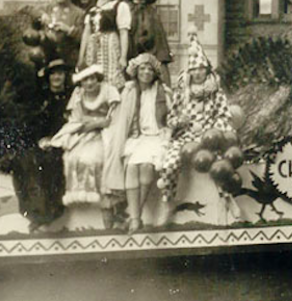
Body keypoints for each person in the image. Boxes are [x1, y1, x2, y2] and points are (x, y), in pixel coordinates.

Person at [157, 31, 237, 223]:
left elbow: (224, 116)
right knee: (169, 163)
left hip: (209, 137)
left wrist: (211, 128)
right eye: (194, 70)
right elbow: (171, 118)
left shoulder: (215, 94)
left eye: (201, 69)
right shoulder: (182, 94)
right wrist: (180, 122)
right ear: (189, 73)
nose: (198, 73)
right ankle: (168, 203)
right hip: (185, 137)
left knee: (220, 163)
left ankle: (228, 200)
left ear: (207, 70)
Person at [103, 53, 172, 234]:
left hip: (157, 136)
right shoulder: (130, 91)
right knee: (132, 167)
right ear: (136, 71)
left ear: (155, 73)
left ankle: (135, 218)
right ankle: (135, 219)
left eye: (150, 69)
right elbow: (121, 116)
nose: (146, 72)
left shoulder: (162, 91)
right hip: (137, 136)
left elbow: (171, 115)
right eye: (142, 68)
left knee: (147, 167)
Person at [50, 65, 120, 228]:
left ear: (97, 78)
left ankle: (108, 205)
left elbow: (113, 119)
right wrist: (95, 123)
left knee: (98, 158)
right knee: (72, 156)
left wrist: (96, 123)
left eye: (92, 78)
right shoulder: (78, 94)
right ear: (80, 82)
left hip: (108, 133)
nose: (89, 83)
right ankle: (81, 206)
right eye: (85, 80)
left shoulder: (108, 91)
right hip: (84, 133)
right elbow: (77, 121)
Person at [10, 59, 70, 232]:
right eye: (53, 74)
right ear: (49, 77)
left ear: (65, 76)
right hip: (43, 140)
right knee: (23, 161)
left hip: (64, 140)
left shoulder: (71, 96)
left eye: (60, 73)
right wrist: (41, 139)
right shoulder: (42, 98)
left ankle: (51, 213)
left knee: (50, 163)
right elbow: (34, 122)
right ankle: (34, 213)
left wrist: (56, 139)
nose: (57, 77)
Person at [78, 0, 131, 90]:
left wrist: (123, 57)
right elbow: (86, 33)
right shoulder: (91, 9)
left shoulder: (119, 5)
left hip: (110, 46)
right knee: (93, 79)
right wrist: (81, 57)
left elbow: (123, 33)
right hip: (93, 48)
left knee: (111, 80)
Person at [119, 0, 173, 86]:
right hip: (133, 51)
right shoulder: (127, 9)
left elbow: (159, 35)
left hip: (153, 52)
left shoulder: (152, 11)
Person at [38, 0, 84, 69]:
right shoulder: (47, 8)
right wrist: (41, 15)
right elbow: (26, 9)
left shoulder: (79, 13)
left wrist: (68, 30)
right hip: (47, 57)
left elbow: (83, 39)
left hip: (68, 58)